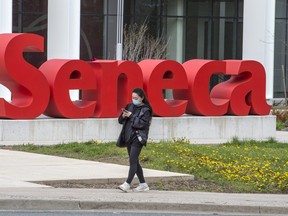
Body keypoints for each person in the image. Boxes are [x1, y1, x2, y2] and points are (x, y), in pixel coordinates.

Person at [117, 88, 152, 192]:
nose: (134, 100)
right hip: (128, 137)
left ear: (142, 98)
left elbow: (142, 124)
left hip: (138, 138)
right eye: (133, 98)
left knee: (132, 161)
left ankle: (127, 184)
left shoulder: (146, 110)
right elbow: (120, 121)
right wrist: (123, 116)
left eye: (136, 98)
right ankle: (143, 184)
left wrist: (131, 116)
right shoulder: (129, 106)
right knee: (135, 161)